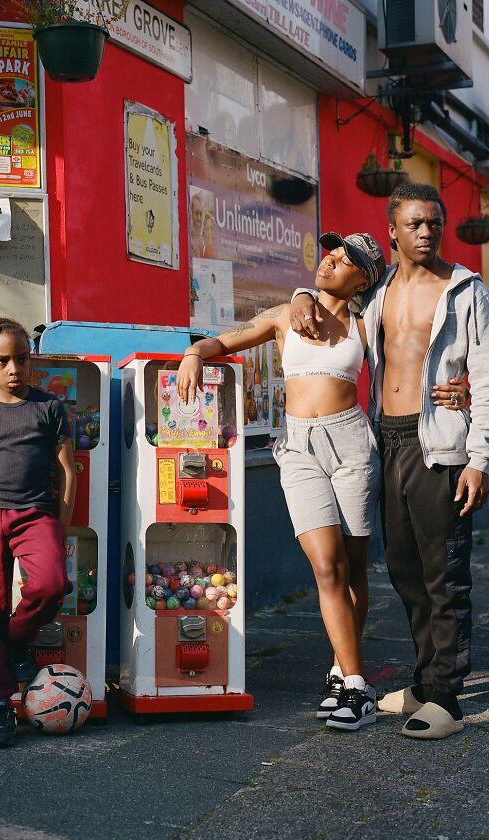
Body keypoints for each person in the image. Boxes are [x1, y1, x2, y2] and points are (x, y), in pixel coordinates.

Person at [290, 183, 489, 739]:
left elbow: (488, 380)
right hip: (387, 440)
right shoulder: (378, 291)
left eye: (434, 223)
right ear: (393, 230)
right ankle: (423, 679)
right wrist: (301, 297)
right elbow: (332, 297)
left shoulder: (465, 292)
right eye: (415, 223)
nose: (427, 232)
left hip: (441, 445)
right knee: (406, 572)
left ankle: (446, 699)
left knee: (445, 575)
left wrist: (480, 458)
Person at [180, 233, 392, 731]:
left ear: (363, 278)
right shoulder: (284, 314)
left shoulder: (366, 322)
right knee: (326, 566)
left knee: (354, 564)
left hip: (352, 445)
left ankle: (343, 670)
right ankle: (359, 687)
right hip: (298, 448)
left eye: (345, 260)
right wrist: (195, 355)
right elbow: (227, 339)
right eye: (331, 252)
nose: (330, 260)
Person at [0, 318, 77, 747]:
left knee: (51, 584)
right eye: (2, 360)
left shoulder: (49, 408)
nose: (13, 368)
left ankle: (16, 637)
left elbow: (67, 472)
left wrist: (59, 532)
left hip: (36, 515)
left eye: (21, 359)